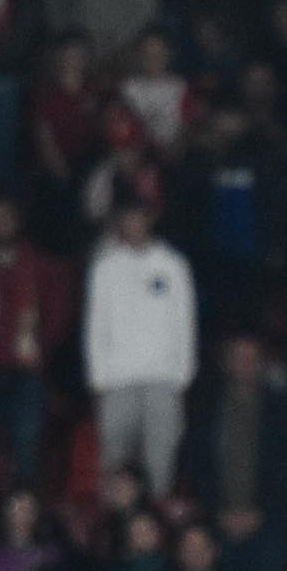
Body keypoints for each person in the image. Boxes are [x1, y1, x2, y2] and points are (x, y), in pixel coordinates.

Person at [84, 196, 195, 491]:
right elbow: (97, 325)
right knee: (113, 466)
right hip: (117, 381)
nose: (133, 223)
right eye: (127, 217)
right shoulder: (105, 267)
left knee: (160, 466)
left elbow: (184, 323)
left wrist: (182, 376)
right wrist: (99, 379)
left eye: (139, 216)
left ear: (150, 219)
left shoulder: (173, 265)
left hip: (163, 380)